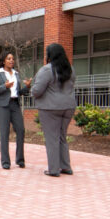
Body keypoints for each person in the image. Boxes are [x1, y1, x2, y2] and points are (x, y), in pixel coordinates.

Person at [31, 43, 76, 176]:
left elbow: (37, 91)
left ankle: (54, 169)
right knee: (62, 137)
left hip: (50, 108)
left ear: (50, 55)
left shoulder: (47, 70)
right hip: (68, 107)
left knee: (52, 139)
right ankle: (66, 166)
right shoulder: (70, 69)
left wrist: (31, 88)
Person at [0, 52, 30, 169]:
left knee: (21, 130)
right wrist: (5, 87)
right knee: (4, 133)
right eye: (9, 59)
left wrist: (27, 87)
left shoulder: (16, 74)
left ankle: (20, 160)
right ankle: (5, 162)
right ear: (3, 61)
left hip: (15, 104)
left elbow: (18, 92)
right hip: (3, 106)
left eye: (12, 59)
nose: (11, 60)